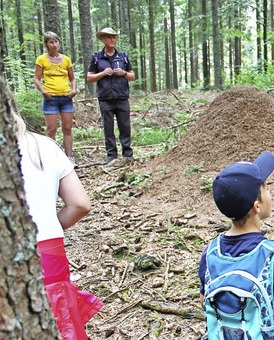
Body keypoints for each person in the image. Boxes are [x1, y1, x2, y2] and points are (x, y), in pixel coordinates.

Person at [11, 98, 103, 340]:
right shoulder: (45, 146)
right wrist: (48, 224)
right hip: (48, 249)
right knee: (58, 322)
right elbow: (80, 204)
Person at [198, 151, 274, 339]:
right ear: (257, 206)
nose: (269, 193)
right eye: (266, 189)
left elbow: (204, 303)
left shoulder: (211, 252)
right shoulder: (272, 254)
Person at [87, 27, 135, 165]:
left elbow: (132, 76)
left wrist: (124, 73)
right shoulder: (97, 57)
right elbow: (89, 77)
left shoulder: (123, 57)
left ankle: (127, 154)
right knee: (108, 127)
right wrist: (102, 73)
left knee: (125, 126)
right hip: (105, 98)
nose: (112, 40)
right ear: (103, 39)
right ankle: (111, 155)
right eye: (109, 37)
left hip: (122, 97)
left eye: (114, 37)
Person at [34, 31, 77, 167]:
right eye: (51, 42)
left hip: (66, 98)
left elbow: (72, 78)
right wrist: (43, 91)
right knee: (51, 129)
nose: (54, 45)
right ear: (46, 44)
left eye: (56, 41)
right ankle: (50, 160)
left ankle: (69, 158)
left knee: (67, 128)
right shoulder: (42, 60)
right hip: (50, 98)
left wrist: (73, 90)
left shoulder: (66, 59)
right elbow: (36, 78)